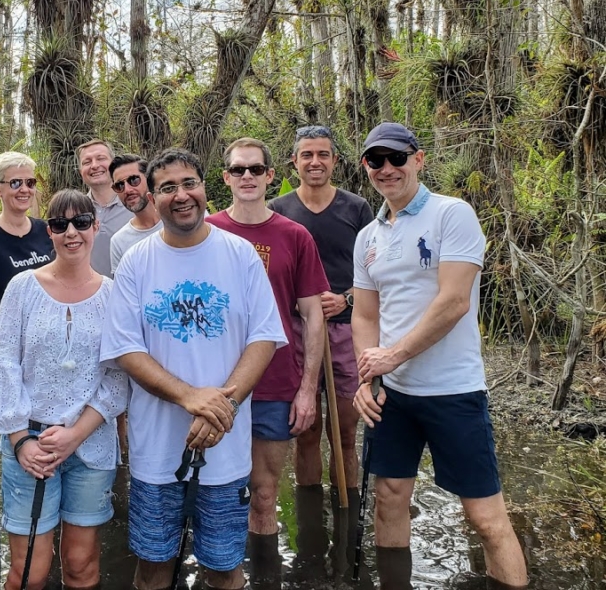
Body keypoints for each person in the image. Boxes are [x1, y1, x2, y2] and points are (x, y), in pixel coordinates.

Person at [102, 147, 287, 590]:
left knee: (224, 568)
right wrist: (191, 397)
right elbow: (125, 348)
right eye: (167, 188)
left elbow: (264, 337)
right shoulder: (136, 261)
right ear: (152, 196)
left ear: (205, 187)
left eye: (189, 183)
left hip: (226, 448)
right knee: (152, 567)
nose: (181, 195)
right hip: (156, 452)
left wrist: (222, 403)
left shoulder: (241, 254)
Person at [352, 122, 527, 587]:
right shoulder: (367, 236)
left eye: (396, 158)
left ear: (418, 159)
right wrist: (368, 376)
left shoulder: (453, 214)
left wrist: (394, 356)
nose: (387, 169)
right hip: (392, 396)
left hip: (453, 390)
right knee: (388, 497)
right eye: (376, 160)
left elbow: (453, 302)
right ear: (366, 167)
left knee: (485, 518)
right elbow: (365, 315)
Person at [0, 190, 128, 590]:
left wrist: (75, 435)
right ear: (47, 231)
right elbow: (2, 365)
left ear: (96, 227)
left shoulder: (114, 294)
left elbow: (119, 376)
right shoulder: (22, 287)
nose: (71, 233)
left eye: (81, 222)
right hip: (29, 446)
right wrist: (19, 440)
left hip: (92, 445)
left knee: (81, 564)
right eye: (59, 224)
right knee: (29, 570)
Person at [205, 138, 328, 541]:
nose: (247, 177)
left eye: (255, 169)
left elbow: (312, 316)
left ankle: (265, 571)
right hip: (217, 382)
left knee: (263, 493)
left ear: (270, 176)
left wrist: (308, 389)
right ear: (225, 178)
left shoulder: (295, 236)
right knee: (212, 491)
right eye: (238, 170)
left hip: (276, 382)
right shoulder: (207, 232)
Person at [269, 125, 374, 495]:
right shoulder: (277, 212)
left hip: (347, 329)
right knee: (306, 430)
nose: (315, 162)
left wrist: (345, 298)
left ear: (334, 161)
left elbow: (375, 274)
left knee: (345, 432)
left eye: (323, 155)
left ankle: (346, 516)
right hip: (296, 333)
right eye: (307, 155)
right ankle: (311, 526)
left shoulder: (357, 208)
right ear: (294, 162)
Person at [0, 151, 54, 327]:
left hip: (49, 332)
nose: (25, 190)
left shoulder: (46, 231)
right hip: (4, 338)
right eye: (15, 183)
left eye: (30, 183)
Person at [77, 139, 133, 276]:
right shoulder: (76, 212)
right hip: (94, 294)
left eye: (101, 158)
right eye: (87, 162)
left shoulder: (135, 206)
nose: (94, 166)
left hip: (134, 293)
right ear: (80, 171)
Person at [107, 153, 162, 277]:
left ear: (149, 180)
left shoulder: (178, 219)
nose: (127, 190)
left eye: (134, 180)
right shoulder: (119, 241)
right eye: (119, 185)